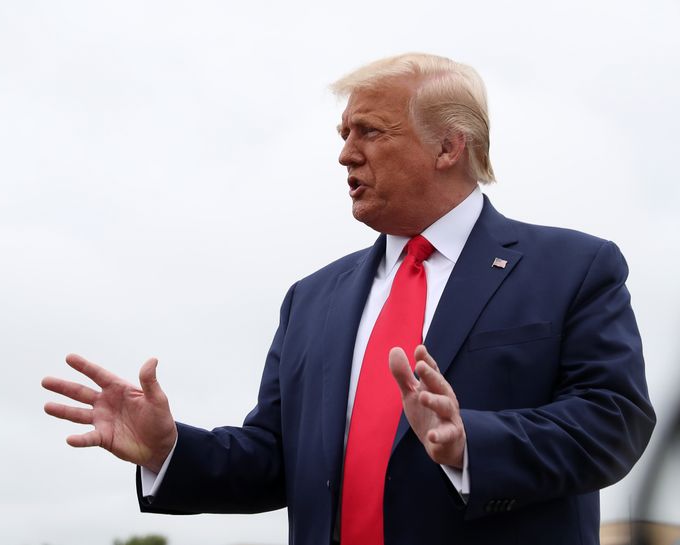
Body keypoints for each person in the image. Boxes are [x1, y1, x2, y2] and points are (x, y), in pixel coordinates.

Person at [42, 53, 656, 545]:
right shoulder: (310, 300)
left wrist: (473, 440)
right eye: (343, 133)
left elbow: (614, 421)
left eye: (370, 131)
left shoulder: (573, 268)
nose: (345, 152)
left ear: (449, 147)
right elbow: (277, 457)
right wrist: (172, 448)